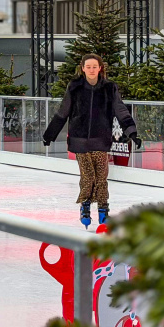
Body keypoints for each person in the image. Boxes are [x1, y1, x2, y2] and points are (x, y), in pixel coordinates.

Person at [42, 53, 141, 228]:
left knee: (101, 177)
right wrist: (49, 135)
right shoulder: (75, 87)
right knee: (88, 177)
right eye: (88, 67)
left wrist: (132, 131)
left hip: (100, 139)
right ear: (82, 68)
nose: (91, 70)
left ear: (100, 68)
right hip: (79, 141)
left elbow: (121, 110)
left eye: (95, 67)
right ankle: (85, 206)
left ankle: (103, 209)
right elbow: (63, 112)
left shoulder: (109, 88)